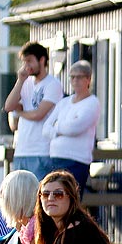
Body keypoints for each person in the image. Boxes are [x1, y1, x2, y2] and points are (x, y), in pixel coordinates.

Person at [4, 41, 63, 180]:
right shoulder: (25, 83)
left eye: (30, 61)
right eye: (24, 62)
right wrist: (20, 81)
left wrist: (21, 113)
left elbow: (39, 114)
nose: (26, 66)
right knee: (20, 196)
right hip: (22, 149)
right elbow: (8, 106)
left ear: (42, 60)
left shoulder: (52, 84)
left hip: (42, 150)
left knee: (39, 194)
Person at [43, 59, 99, 192]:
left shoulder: (92, 103)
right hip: (55, 158)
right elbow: (45, 128)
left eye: (79, 77)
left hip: (76, 161)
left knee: (71, 199)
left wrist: (56, 127)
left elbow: (76, 127)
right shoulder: (64, 102)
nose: (75, 81)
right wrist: (60, 130)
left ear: (88, 79)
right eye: (72, 77)